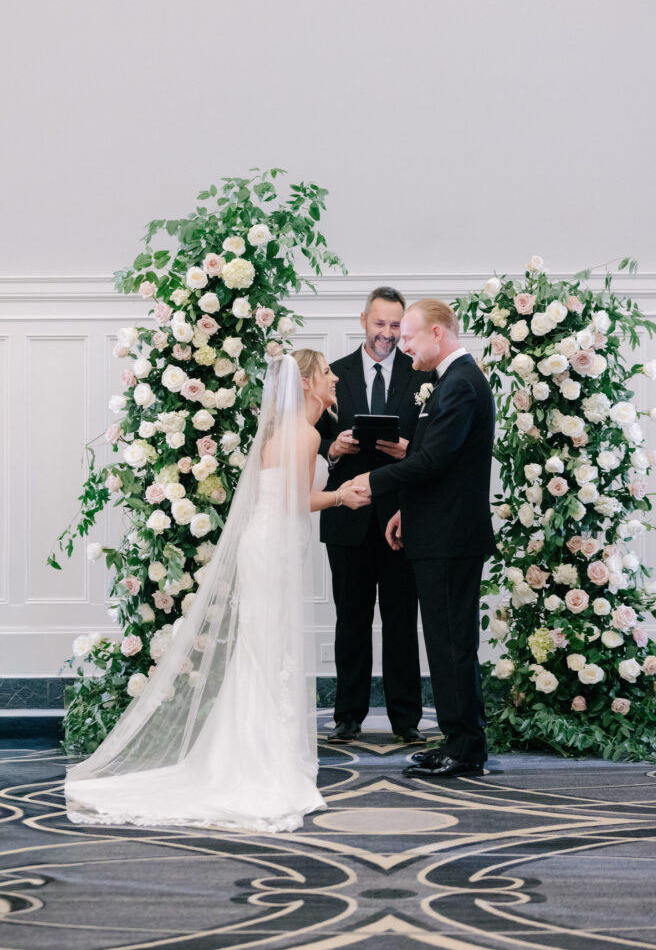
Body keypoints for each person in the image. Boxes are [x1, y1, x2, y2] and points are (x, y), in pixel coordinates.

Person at [65, 351, 370, 832]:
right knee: (268, 652)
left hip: (268, 543)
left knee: (261, 651)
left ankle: (255, 755)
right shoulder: (307, 434)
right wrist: (341, 495)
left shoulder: (282, 432)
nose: (336, 378)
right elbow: (294, 498)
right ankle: (261, 766)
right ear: (308, 384)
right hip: (274, 547)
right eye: (328, 373)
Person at [351, 300, 496, 776]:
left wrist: (372, 484)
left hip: (451, 537)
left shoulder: (461, 384)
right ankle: (459, 739)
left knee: (452, 643)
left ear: (438, 332)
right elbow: (437, 460)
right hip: (436, 530)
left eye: (409, 337)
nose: (402, 344)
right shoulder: (451, 381)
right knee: (444, 639)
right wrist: (404, 515)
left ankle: (466, 746)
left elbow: (433, 462)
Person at [316, 287, 431, 744]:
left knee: (402, 620)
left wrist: (410, 449)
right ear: (363, 320)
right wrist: (332, 448)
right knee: (352, 619)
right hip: (347, 517)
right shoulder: (335, 374)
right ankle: (348, 716)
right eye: (379, 324)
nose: (387, 334)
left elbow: (434, 443)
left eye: (395, 326)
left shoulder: (421, 371)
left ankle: (406, 720)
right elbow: (312, 434)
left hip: (401, 517)